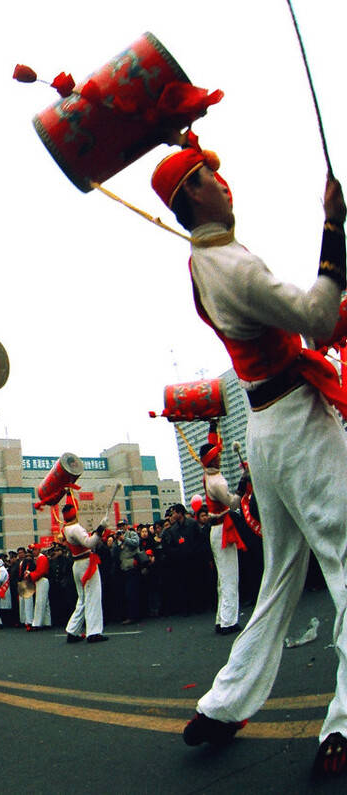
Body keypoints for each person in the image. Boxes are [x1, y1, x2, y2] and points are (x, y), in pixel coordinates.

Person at [152, 140, 347, 775]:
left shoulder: (207, 261)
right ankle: (341, 725)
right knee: (345, 563)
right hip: (294, 424)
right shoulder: (230, 267)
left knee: (280, 575)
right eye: (210, 175)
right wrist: (332, 228)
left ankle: (224, 703)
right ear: (192, 195)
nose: (225, 181)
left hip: (269, 428)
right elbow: (318, 318)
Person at [199, 423, 246, 635]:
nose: (220, 454)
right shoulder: (216, 483)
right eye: (217, 454)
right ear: (213, 459)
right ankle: (229, 622)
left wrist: (213, 426)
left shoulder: (207, 473)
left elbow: (212, 445)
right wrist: (243, 485)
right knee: (229, 577)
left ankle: (221, 619)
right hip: (222, 530)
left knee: (222, 577)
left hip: (216, 530)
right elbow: (234, 504)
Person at [60, 494, 106, 644]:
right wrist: (100, 530)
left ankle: (73, 630)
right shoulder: (75, 528)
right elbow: (89, 543)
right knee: (93, 596)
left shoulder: (66, 529)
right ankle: (94, 632)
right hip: (86, 563)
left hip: (77, 564)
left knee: (83, 599)